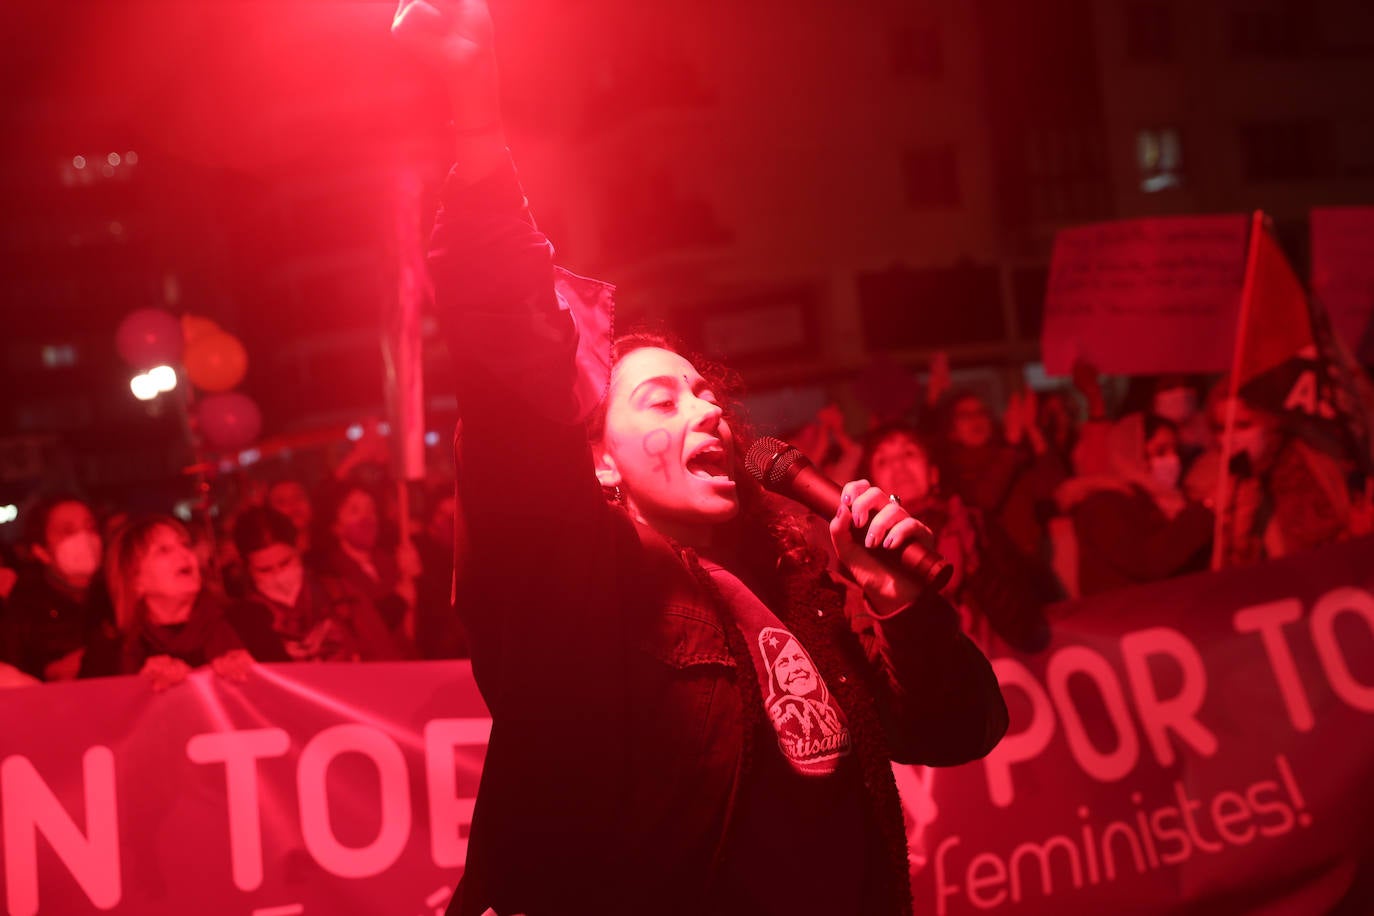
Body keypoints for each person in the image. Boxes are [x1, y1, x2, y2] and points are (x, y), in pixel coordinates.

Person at [392, 3, 1008, 914]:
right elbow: (509, 364)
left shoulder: (794, 585)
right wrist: (479, 131)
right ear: (596, 464)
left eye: (706, 392)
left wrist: (900, 602)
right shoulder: (575, 590)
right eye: (660, 399)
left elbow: (961, 728)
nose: (706, 409)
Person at [1058, 414, 1213, 596]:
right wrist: (1205, 509)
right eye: (1160, 452)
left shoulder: (1163, 500)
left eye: (1176, 451)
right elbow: (1148, 562)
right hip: (1121, 616)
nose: (1174, 460)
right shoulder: (1104, 505)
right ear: (1131, 454)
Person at [95, 515, 252, 691]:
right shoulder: (111, 650)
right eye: (163, 550)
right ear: (135, 582)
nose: (185, 554)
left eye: (185, 545)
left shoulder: (244, 620)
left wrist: (253, 673)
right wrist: (141, 687)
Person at [230, 507, 405, 662]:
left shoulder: (341, 595)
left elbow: (385, 658)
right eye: (264, 570)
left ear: (298, 549)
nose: (278, 576)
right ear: (246, 568)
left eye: (285, 563)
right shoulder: (243, 622)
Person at [1, 495, 116, 680]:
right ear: (41, 551)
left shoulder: (119, 593)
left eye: (90, 527)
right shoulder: (23, 608)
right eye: (68, 531)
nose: (84, 538)